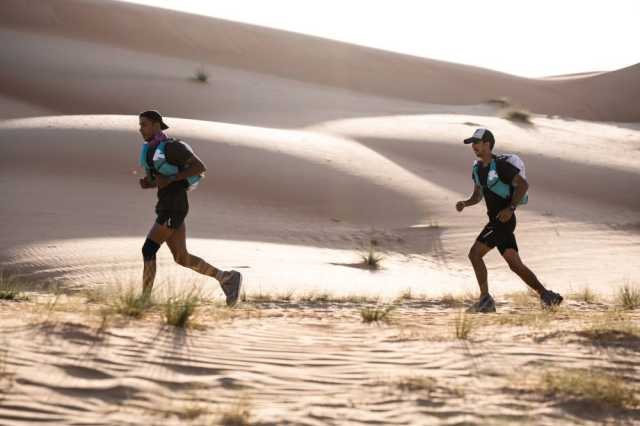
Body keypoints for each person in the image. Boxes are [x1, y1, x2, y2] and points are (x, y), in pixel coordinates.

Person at [137, 110, 241, 305]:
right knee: (181, 257)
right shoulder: (151, 150)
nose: (140, 129)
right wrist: (149, 183)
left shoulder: (172, 147)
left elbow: (200, 167)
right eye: (140, 125)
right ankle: (228, 278)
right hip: (166, 206)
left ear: (157, 125)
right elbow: (161, 180)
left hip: (174, 207)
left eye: (144, 124)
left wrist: (171, 178)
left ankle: (144, 300)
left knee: (148, 249)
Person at [456, 128, 562, 312]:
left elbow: (523, 185)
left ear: (487, 144)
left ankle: (485, 300)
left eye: (477, 142)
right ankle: (547, 295)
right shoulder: (477, 169)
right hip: (497, 220)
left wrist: (510, 208)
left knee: (474, 254)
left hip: (503, 221)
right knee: (514, 264)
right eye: (472, 143)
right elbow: (477, 195)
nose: (473, 146)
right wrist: (465, 203)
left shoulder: (501, 166)